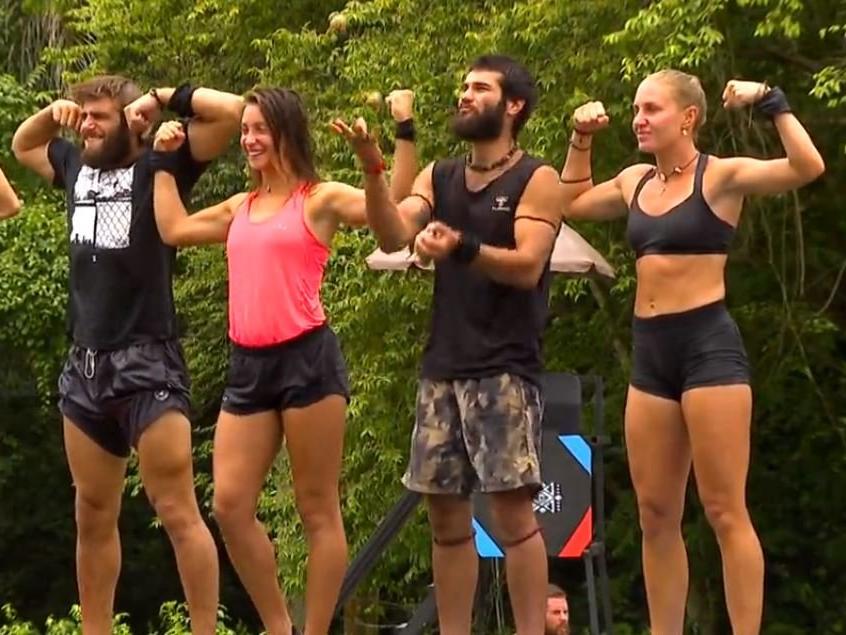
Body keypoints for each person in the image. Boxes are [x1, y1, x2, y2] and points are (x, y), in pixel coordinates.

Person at [559, 72, 825, 634]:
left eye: (652, 109)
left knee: (725, 509)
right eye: (636, 109)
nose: (639, 119)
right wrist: (581, 139)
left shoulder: (720, 176)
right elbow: (571, 203)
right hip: (650, 355)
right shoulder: (634, 180)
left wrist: (770, 101)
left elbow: (806, 167)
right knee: (656, 514)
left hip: (708, 349)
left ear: (688, 118)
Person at [151, 87, 417, 635]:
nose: (248, 140)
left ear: (286, 133)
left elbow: (390, 219)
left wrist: (380, 156)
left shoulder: (319, 198)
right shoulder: (240, 207)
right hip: (248, 366)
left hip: (307, 361)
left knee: (316, 507)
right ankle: (279, 627)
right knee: (229, 506)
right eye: (244, 130)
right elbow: (173, 228)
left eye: (259, 130)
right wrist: (160, 162)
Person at [336, 54, 562, 635]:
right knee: (445, 522)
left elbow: (528, 266)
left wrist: (461, 246)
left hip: (504, 368)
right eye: (463, 86)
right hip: (442, 367)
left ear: (513, 105)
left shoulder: (536, 177)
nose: (464, 94)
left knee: (513, 518)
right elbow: (393, 233)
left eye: (480, 87)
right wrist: (374, 166)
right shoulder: (438, 175)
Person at [11, 75, 244, 635]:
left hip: (147, 360)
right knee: (92, 514)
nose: (88, 126)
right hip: (85, 365)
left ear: (130, 121)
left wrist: (161, 98)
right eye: (85, 116)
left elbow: (232, 112)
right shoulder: (74, 164)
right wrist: (54, 112)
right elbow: (23, 145)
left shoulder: (161, 165)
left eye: (100, 117)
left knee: (176, 509)